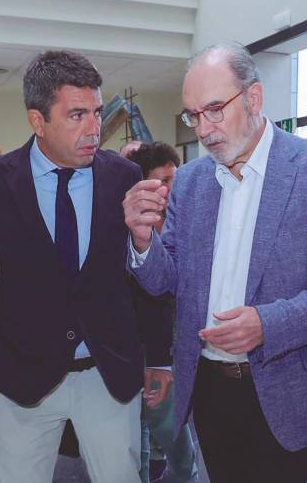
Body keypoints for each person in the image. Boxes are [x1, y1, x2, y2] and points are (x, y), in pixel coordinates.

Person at [123, 43, 307, 483]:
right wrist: (143, 241)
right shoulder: (192, 181)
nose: (204, 128)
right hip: (209, 386)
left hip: (288, 386)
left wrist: (266, 324)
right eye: (193, 115)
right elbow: (167, 280)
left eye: (215, 109)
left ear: (253, 99)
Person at [0, 50, 171, 483]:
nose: (94, 128)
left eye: (98, 112)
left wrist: (160, 356)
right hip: (19, 381)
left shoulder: (122, 176)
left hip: (108, 377)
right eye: (77, 115)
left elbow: (143, 279)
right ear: (37, 121)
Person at [124, 141, 198, 483]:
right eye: (163, 181)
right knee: (136, 427)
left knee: (170, 426)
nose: (171, 188)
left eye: (174, 178)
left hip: (172, 343)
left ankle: (184, 475)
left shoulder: (186, 223)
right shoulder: (128, 229)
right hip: (133, 343)